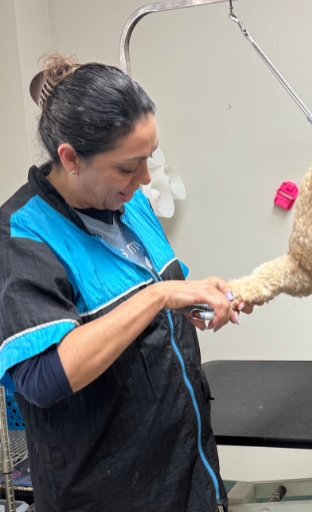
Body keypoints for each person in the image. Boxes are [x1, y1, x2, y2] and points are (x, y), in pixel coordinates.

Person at [0, 54, 244, 511]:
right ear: (70, 158)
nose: (146, 179)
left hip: (186, 469)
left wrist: (195, 301)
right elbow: (42, 377)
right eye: (129, 166)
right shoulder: (21, 234)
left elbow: (154, 297)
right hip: (106, 493)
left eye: (148, 159)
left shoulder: (131, 204)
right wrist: (161, 296)